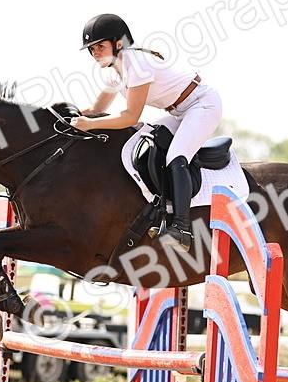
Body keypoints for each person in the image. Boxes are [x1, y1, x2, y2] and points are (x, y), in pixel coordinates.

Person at [70, 13, 219, 253]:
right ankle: (161, 213)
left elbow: (130, 116)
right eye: (92, 49)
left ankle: (181, 228)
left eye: (100, 46)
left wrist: (89, 125)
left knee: (175, 156)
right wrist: (65, 115)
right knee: (144, 144)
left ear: (118, 43)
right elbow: (97, 109)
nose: (95, 52)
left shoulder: (137, 64)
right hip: (179, 111)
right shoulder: (115, 72)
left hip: (202, 104)